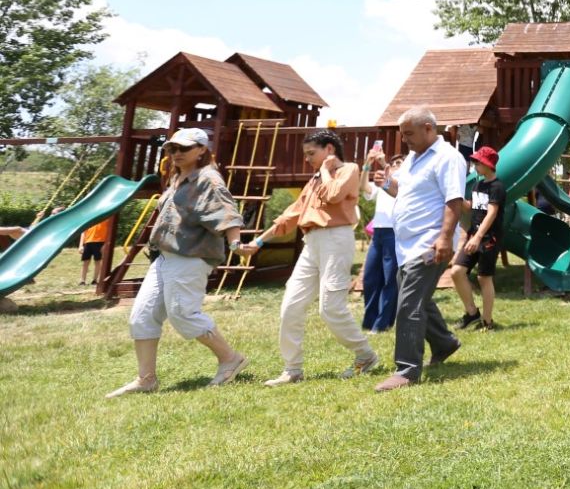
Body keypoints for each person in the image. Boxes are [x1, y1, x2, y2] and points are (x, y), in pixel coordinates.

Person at [105, 129, 249, 397]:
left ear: (202, 149)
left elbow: (228, 213)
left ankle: (231, 359)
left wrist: (236, 244)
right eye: (172, 149)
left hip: (191, 257)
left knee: (183, 314)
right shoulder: (176, 177)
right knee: (142, 316)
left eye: (184, 148)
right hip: (164, 257)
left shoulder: (208, 179)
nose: (177, 153)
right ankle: (146, 379)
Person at [242, 129, 379, 385]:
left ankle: (365, 355)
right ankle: (292, 369)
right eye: (306, 154)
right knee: (290, 305)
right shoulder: (314, 180)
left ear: (329, 149)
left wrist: (325, 169)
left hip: (336, 240)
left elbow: (333, 195)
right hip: (311, 243)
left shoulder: (349, 169)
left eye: (311, 153)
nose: (307, 159)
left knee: (330, 308)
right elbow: (291, 215)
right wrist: (258, 242)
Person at [369, 106, 468, 392]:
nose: (405, 140)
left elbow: (453, 200)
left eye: (409, 133)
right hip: (406, 245)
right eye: (403, 134)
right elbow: (405, 193)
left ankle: (407, 370)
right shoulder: (414, 158)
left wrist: (445, 239)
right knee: (415, 298)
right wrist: (387, 184)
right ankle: (444, 343)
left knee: (408, 304)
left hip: (429, 242)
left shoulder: (448, 157)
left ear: (428, 128)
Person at [448, 146, 504, 331]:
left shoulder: (497, 187)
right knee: (457, 271)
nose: (475, 165)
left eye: (478, 162)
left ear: (488, 164)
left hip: (488, 238)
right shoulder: (478, 185)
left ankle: (487, 322)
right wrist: (456, 197)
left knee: (483, 278)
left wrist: (478, 237)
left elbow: (492, 213)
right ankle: (472, 313)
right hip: (473, 235)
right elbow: (472, 207)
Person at [360, 151, 401, 332]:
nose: (395, 165)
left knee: (389, 279)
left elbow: (396, 186)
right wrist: (367, 164)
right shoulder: (383, 182)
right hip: (378, 233)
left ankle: (382, 323)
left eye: (399, 163)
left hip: (394, 233)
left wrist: (385, 163)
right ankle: (369, 321)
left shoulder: (403, 181)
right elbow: (365, 188)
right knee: (370, 277)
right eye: (394, 163)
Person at [79, 214, 112, 285]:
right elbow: (83, 232)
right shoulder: (89, 218)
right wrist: (81, 245)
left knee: (97, 261)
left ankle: (95, 280)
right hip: (87, 242)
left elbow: (109, 231)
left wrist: (105, 244)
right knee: (85, 262)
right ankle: (82, 281)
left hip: (100, 242)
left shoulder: (106, 218)